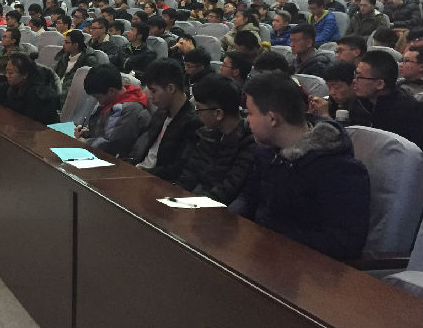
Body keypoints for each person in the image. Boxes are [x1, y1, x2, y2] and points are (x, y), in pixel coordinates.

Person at [230, 71, 370, 260]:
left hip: (306, 267)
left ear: (272, 118)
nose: (247, 120)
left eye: (251, 113)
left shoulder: (339, 169)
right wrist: (229, 223)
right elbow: (248, 198)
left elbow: (344, 244)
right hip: (263, 253)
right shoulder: (267, 152)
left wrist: (268, 236)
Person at [176, 74, 255, 204]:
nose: (197, 114)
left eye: (199, 109)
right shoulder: (207, 133)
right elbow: (189, 173)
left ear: (218, 113)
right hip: (194, 202)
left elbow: (227, 190)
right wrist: (175, 195)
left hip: (216, 209)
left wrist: (190, 204)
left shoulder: (248, 143)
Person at [124, 59, 202, 181]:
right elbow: (141, 150)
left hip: (154, 180)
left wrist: (140, 174)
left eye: (153, 91)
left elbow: (177, 169)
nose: (149, 96)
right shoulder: (160, 113)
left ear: (171, 88)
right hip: (137, 171)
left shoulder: (192, 123)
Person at [351, 50, 423, 149]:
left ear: (380, 84)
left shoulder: (410, 111)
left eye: (360, 77)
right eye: (355, 75)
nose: (354, 81)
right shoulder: (359, 103)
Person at [0, 54, 60, 125]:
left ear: (25, 74)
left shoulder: (38, 93)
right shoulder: (17, 83)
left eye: (10, 73)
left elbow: (29, 123)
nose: (7, 75)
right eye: (6, 72)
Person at [74, 64, 150, 156]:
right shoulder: (115, 100)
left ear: (111, 91)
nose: (99, 102)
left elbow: (113, 144)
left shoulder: (130, 110)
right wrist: (87, 133)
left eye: (98, 97)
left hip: (118, 160)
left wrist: (85, 142)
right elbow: (105, 131)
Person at [53, 30, 98, 102]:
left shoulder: (88, 60)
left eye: (67, 42)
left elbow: (78, 87)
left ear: (76, 45)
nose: (63, 44)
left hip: (70, 96)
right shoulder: (63, 56)